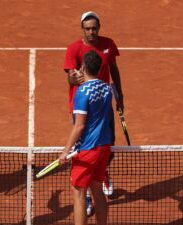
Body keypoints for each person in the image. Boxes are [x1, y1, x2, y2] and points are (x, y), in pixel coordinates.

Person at [63, 11, 124, 215]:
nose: (92, 31)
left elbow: (114, 69)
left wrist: (120, 95)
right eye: (88, 28)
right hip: (82, 106)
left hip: (105, 102)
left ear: (99, 27)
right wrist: (77, 79)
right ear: (83, 29)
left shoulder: (108, 44)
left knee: (107, 144)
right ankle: (89, 193)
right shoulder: (74, 49)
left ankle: (102, 172)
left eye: (95, 28)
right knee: (87, 145)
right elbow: (70, 78)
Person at [59, 50, 113, 225]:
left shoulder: (82, 92)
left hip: (87, 150)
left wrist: (65, 151)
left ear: (82, 67)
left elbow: (79, 126)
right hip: (104, 147)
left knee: (79, 192)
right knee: (97, 190)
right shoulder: (107, 88)